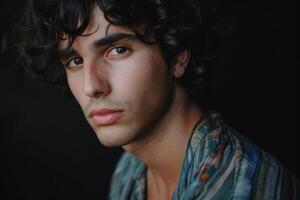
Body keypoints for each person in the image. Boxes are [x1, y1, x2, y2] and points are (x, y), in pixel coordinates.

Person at [14, 0, 299, 199]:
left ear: (177, 56)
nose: (91, 86)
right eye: (75, 60)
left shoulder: (237, 187)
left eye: (118, 50)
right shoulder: (130, 168)